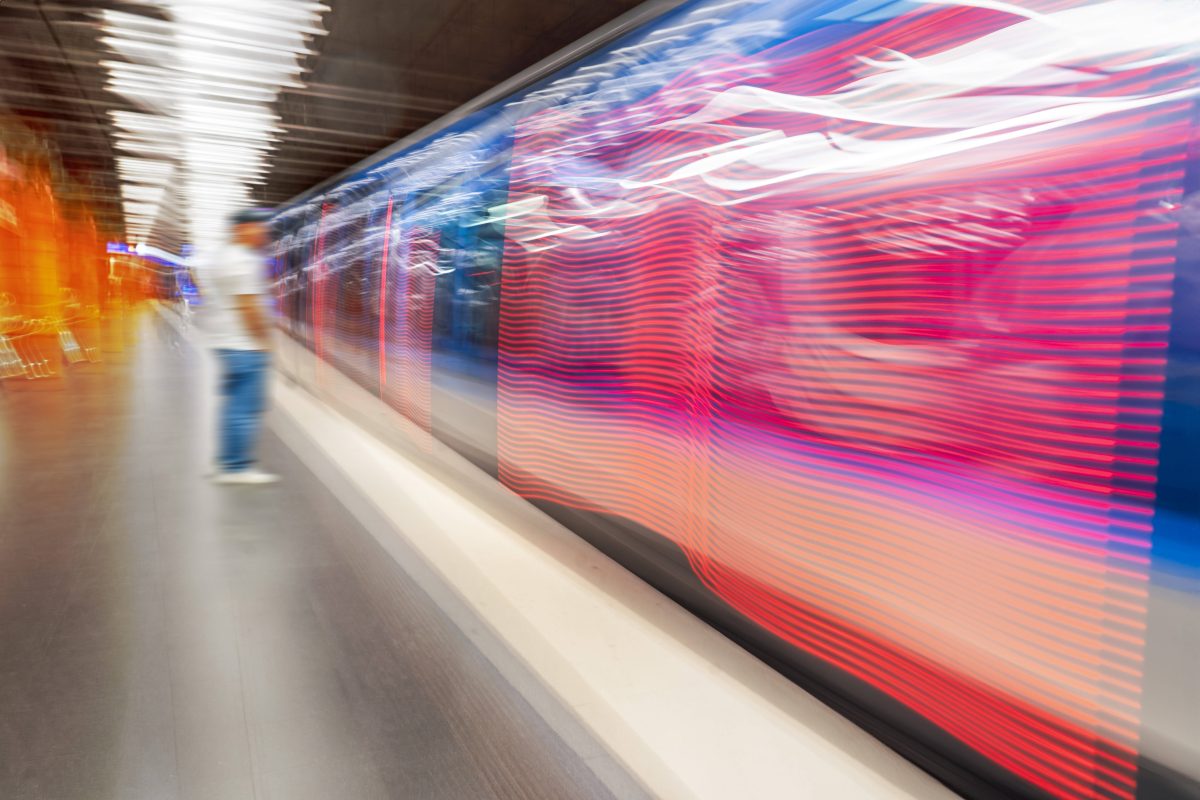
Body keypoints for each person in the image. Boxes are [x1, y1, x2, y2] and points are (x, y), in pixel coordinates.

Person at [205, 208, 279, 484]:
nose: (263, 232)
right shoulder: (244, 261)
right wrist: (264, 340)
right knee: (245, 407)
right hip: (245, 344)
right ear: (242, 229)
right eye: (258, 227)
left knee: (233, 404)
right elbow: (248, 305)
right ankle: (236, 467)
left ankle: (226, 461)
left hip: (226, 342)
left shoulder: (222, 257)